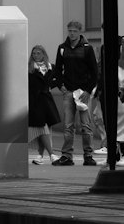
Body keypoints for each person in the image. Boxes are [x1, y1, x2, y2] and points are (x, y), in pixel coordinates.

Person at [51, 20, 99, 166]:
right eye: (70, 31)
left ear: (80, 32)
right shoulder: (62, 48)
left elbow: (94, 71)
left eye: (74, 31)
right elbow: (58, 69)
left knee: (86, 125)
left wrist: (88, 90)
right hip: (69, 90)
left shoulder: (87, 48)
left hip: (82, 91)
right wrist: (61, 85)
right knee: (68, 125)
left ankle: (88, 155)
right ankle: (67, 155)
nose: (71, 33)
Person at [28, 45, 60, 164]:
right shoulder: (29, 68)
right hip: (35, 101)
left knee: (46, 129)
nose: (35, 55)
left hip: (47, 101)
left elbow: (58, 79)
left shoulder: (50, 67)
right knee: (42, 129)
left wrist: (50, 86)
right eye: (34, 53)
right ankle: (52, 154)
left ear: (43, 54)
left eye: (38, 53)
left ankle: (40, 156)